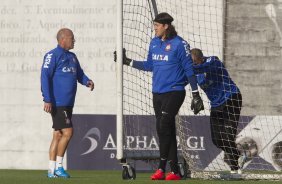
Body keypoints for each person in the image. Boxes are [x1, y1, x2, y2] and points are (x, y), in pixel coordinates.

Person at [114, 12, 204, 180]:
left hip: (175, 91)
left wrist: (195, 94)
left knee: (163, 126)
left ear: (166, 26)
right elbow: (149, 65)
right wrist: (128, 61)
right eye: (154, 25)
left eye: (157, 25)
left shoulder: (180, 44)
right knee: (165, 130)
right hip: (158, 93)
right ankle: (175, 171)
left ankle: (161, 168)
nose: (154, 28)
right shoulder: (154, 42)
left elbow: (189, 69)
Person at [41, 28, 94, 178]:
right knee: (68, 132)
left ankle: (51, 170)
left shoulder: (72, 57)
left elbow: (79, 74)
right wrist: (47, 99)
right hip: (58, 103)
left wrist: (87, 81)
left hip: (68, 103)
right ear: (63, 39)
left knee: (58, 134)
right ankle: (59, 167)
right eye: (72, 38)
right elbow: (45, 76)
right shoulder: (52, 55)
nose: (74, 40)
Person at [190, 48, 246, 174]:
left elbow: (203, 68)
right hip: (216, 105)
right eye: (191, 62)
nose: (192, 64)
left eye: (193, 62)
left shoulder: (213, 60)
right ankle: (240, 154)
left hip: (231, 98)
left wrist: (187, 68)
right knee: (216, 139)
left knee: (228, 135)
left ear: (200, 59)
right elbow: (184, 78)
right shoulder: (195, 72)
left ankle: (234, 168)